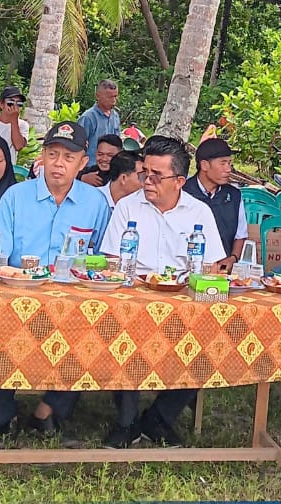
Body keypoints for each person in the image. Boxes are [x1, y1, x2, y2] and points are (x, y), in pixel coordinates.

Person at [0, 121, 111, 441]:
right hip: (19, 294)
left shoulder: (95, 203)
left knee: (97, 332)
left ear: (83, 162)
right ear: (42, 155)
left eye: (69, 157)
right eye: (53, 154)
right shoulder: (16, 196)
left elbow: (103, 260)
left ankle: (48, 408)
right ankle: (3, 413)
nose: (59, 163)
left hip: (74, 301)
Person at [100, 135, 227, 448]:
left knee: (212, 333)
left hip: (182, 300)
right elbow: (112, 263)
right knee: (123, 327)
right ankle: (127, 422)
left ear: (180, 181)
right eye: (145, 173)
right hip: (135, 298)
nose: (148, 181)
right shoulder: (127, 207)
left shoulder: (199, 214)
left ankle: (160, 416)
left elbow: (210, 269)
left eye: (157, 176)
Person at [182, 138, 247, 269]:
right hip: (187, 267)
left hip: (222, 270)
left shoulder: (234, 195)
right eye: (223, 163)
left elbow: (241, 234)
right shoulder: (183, 192)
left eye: (229, 163)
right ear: (205, 165)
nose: (228, 169)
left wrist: (233, 258)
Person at [78, 79, 121, 166]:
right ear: (98, 96)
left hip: (110, 167)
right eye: (109, 97)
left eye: (115, 96)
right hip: (91, 168)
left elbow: (117, 144)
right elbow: (79, 146)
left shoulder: (115, 116)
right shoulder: (88, 118)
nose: (113, 100)